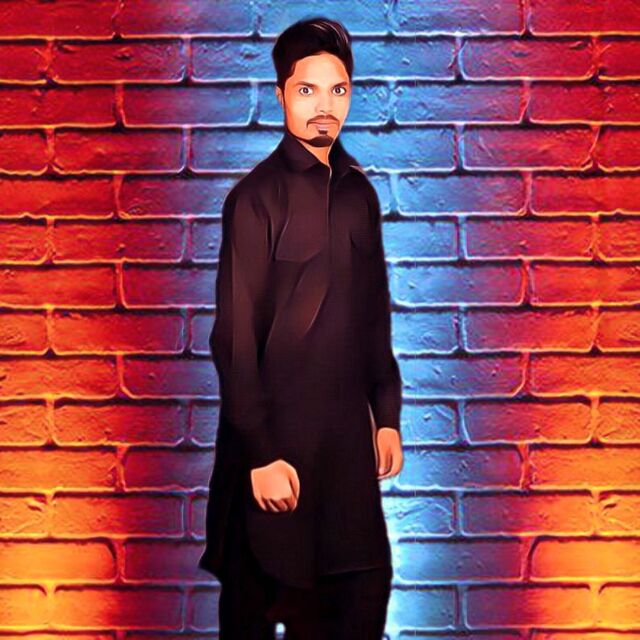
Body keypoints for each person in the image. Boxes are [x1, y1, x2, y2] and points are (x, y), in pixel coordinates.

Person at [198, 16, 404, 639]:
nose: (324, 106)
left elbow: (373, 315)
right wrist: (261, 453)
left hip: (344, 460)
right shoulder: (255, 199)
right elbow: (234, 338)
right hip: (272, 460)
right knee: (259, 608)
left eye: (338, 90)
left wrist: (387, 414)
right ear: (281, 94)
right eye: (307, 90)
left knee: (361, 597)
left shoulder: (359, 196)